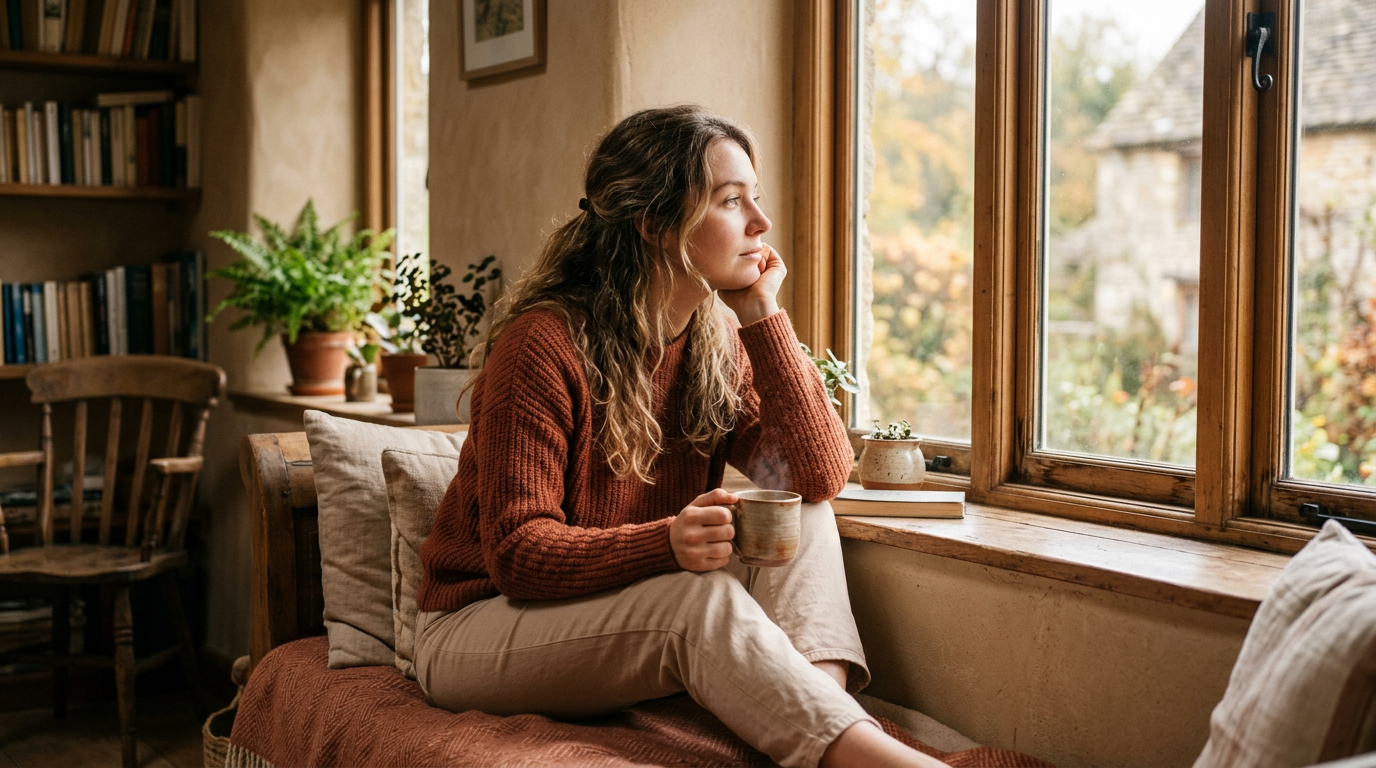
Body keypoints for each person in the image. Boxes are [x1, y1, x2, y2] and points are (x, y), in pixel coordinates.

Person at [414, 104, 949, 768]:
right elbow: (517, 556)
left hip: (610, 609)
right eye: (731, 201)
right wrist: (665, 543)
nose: (762, 222)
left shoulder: (712, 341)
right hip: (475, 629)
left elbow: (819, 476)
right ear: (656, 224)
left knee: (800, 514)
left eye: (756, 197)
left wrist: (761, 314)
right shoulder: (542, 346)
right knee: (696, 600)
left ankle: (820, 717)